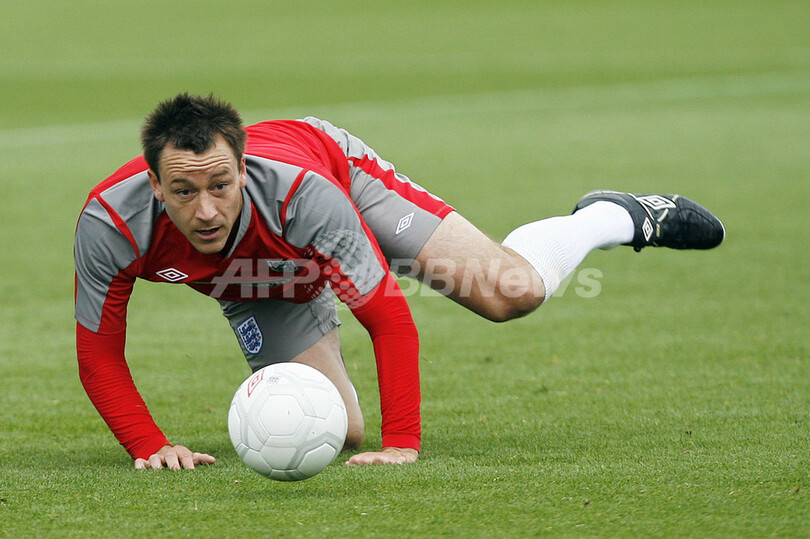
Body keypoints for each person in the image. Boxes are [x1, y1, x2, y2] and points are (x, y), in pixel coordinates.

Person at [74, 93, 724, 470]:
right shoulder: (110, 224)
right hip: (258, 279)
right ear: (154, 184)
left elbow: (387, 315)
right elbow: (99, 350)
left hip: (342, 182)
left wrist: (403, 444)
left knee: (510, 293)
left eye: (221, 185)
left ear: (244, 170)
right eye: (184, 192)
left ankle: (615, 216)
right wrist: (150, 447)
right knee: (338, 432)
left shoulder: (306, 193)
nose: (206, 208)